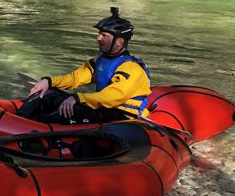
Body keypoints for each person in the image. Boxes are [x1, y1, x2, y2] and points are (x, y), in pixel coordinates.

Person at [23, 8, 151, 124]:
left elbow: (113, 96)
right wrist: (49, 81)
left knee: (63, 112)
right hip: (102, 108)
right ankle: (19, 119)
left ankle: (28, 129)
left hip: (121, 115)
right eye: (99, 34)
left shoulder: (132, 68)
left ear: (119, 41)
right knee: (49, 94)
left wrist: (78, 98)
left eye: (104, 35)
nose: (98, 38)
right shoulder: (100, 62)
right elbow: (75, 78)